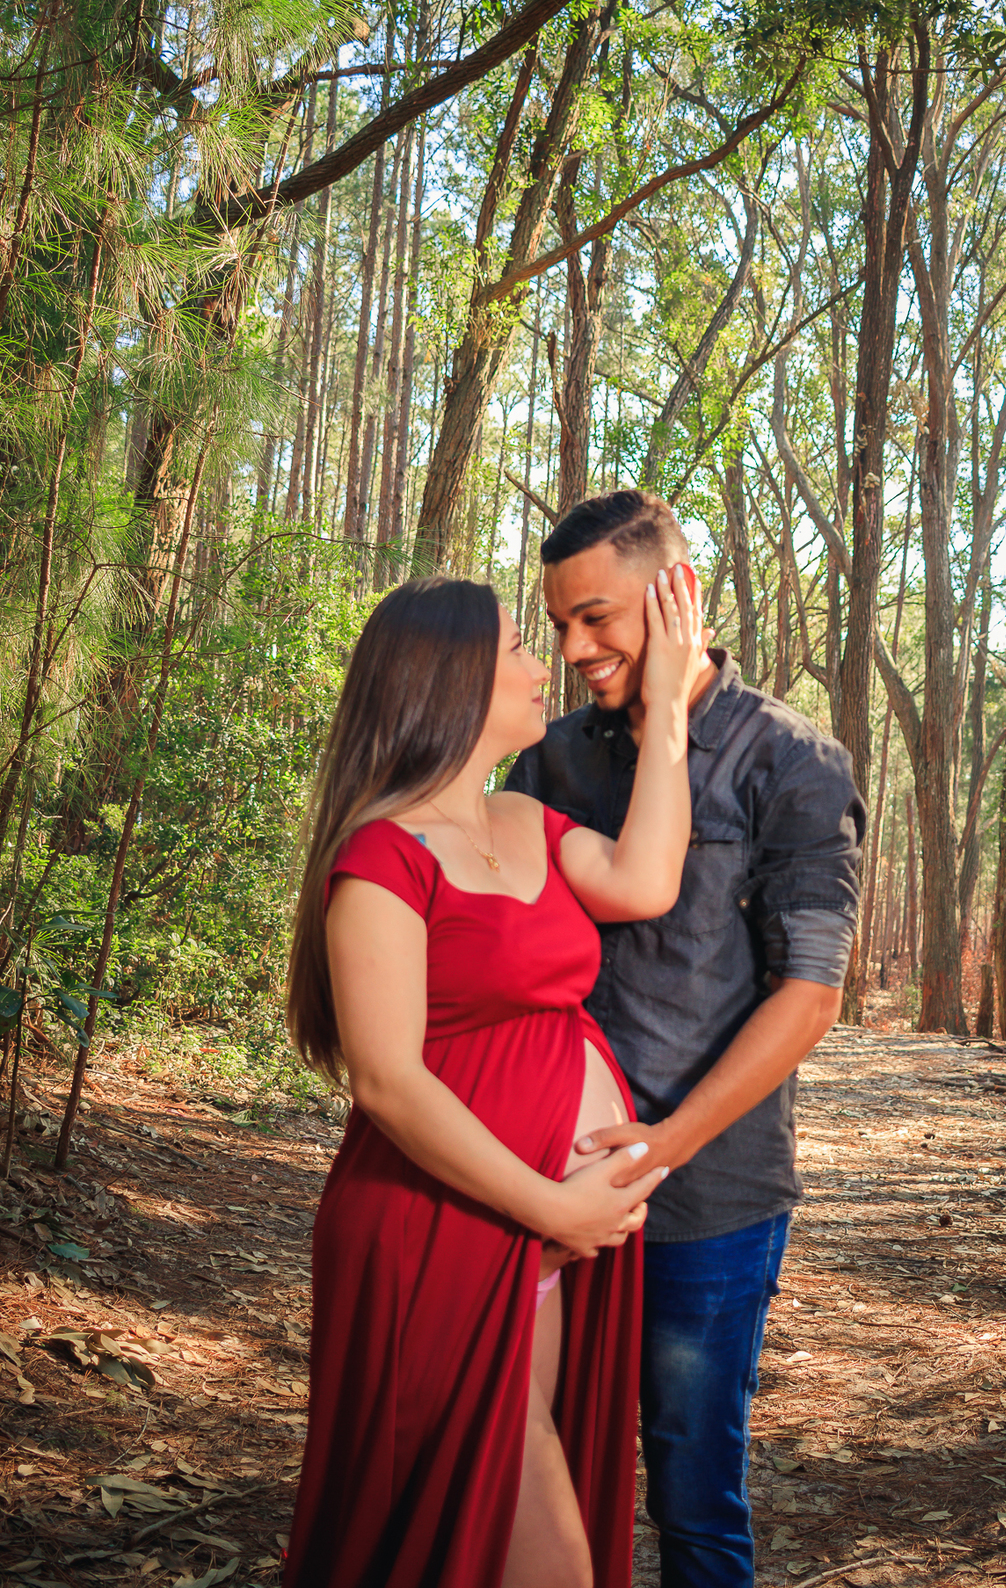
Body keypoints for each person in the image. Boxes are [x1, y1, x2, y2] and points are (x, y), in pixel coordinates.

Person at [282, 569, 708, 1588]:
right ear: (453, 678)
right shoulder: (381, 858)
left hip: (534, 1235)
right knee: (511, 1523)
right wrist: (552, 1202)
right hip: (437, 1228)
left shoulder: (523, 821)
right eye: (520, 646)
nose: (542, 665)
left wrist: (668, 718)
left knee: (487, 1512)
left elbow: (648, 879)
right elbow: (387, 1082)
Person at [506, 489, 866, 1588]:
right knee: (543, 1473)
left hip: (710, 1198)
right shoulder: (552, 763)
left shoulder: (792, 761)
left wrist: (663, 1146)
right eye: (559, 622)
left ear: (678, 598)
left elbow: (809, 997)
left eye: (599, 618)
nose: (574, 647)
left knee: (692, 1492)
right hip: (549, 1185)